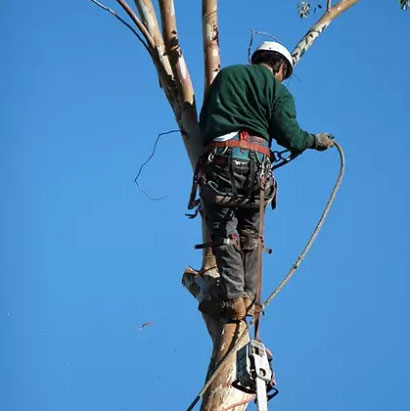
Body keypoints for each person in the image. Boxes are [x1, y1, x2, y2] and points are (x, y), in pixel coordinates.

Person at [197, 41, 334, 322]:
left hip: (221, 162)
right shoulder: (278, 92)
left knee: (224, 230)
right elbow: (292, 138)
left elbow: (203, 123)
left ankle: (235, 298)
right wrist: (315, 141)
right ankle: (249, 298)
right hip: (257, 171)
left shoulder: (226, 76)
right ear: (281, 68)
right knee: (251, 234)